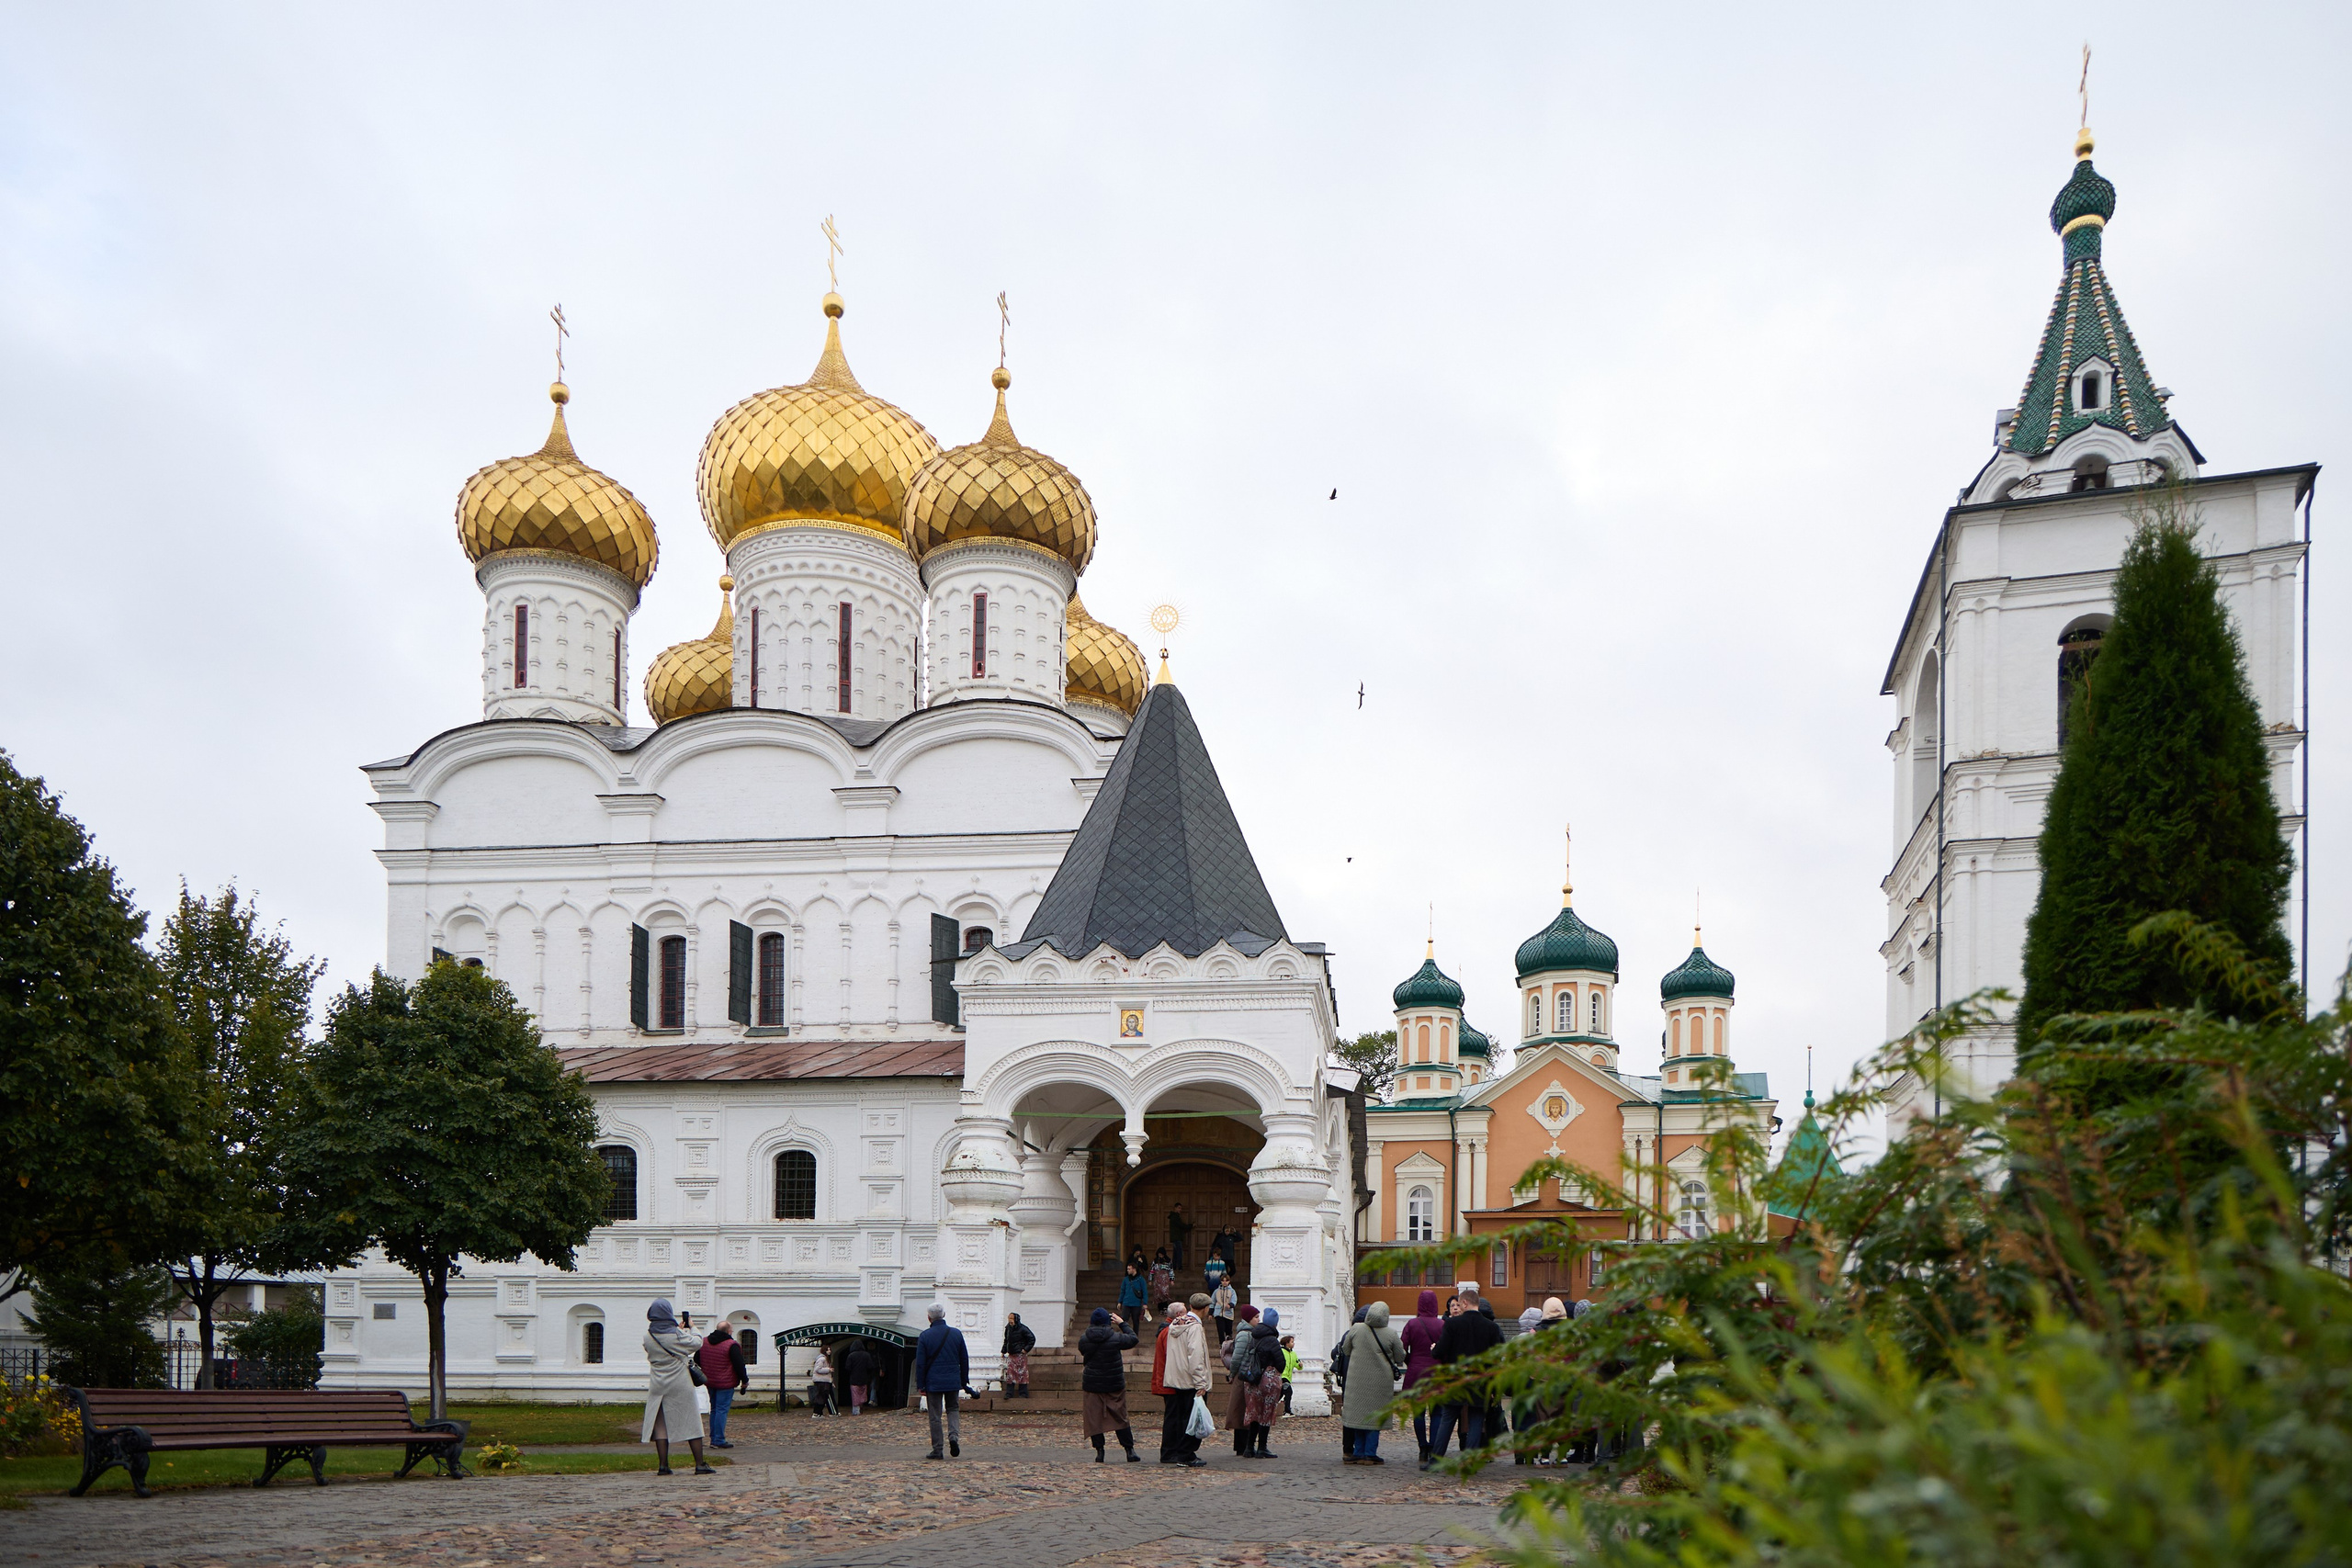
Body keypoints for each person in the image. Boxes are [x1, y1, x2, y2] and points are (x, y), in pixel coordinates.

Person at [1425, 1282, 1504, 1467]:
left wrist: (1434, 1349)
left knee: (1448, 1419)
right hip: (1480, 1381)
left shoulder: (1452, 1324)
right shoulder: (1491, 1328)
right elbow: (1495, 1359)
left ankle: (1436, 1460)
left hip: (1456, 1380)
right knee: (1477, 1420)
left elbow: (1440, 1351)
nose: (1457, 1308)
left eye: (1459, 1304)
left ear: (1466, 1303)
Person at [640, 1299, 715, 1477]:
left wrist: (679, 1332)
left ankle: (663, 1465)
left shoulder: (648, 1336)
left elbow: (658, 1347)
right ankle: (700, 1463)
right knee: (691, 1422)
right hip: (680, 1383)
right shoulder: (676, 1334)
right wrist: (692, 1327)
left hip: (658, 1384)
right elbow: (697, 1343)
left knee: (661, 1425)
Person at [1337, 1300, 1405, 1464]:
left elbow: (1345, 1349)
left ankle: (1358, 1452)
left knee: (1359, 1416)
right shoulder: (1391, 1333)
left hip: (1356, 1382)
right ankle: (1370, 1453)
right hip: (1380, 1383)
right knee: (1374, 1418)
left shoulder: (1356, 1329)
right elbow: (1400, 1357)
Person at [1076, 1307, 1141, 1462]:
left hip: (1092, 1384)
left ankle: (1100, 1451)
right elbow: (1133, 1339)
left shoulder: (1085, 1339)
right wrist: (1122, 1323)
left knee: (1094, 1419)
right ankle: (1129, 1450)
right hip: (1114, 1383)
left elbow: (1083, 1351)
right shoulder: (1115, 1337)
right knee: (1120, 1417)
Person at [1157, 1293, 1212, 1466]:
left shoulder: (1175, 1324)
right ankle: (1186, 1453)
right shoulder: (1194, 1327)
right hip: (1190, 1380)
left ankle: (1181, 1452)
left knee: (1182, 1418)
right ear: (1205, 1308)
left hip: (1177, 1379)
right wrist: (1201, 1382)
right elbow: (1195, 1356)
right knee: (1193, 1419)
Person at [913, 1303, 970, 1460]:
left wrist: (921, 1384)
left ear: (929, 1317)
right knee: (953, 1409)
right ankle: (953, 1437)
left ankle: (938, 1449)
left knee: (935, 1415)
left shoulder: (925, 1336)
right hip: (952, 1380)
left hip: (933, 1382)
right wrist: (964, 1380)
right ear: (944, 1315)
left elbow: (921, 1363)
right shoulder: (956, 1334)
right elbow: (964, 1359)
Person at [1399, 1288, 1445, 1461]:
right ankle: (1433, 1447)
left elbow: (1401, 1348)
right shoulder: (1442, 1325)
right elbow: (1446, 1350)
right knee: (1437, 1413)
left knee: (1418, 1413)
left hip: (1416, 1373)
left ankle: (1422, 1448)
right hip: (1436, 1374)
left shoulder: (1412, 1324)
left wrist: (1411, 1361)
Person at [1238, 1305, 1284, 1458]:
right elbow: (1281, 1363)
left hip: (1251, 1381)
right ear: (1274, 1324)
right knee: (1266, 1412)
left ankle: (1249, 1447)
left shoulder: (1253, 1336)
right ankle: (1262, 1447)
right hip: (1267, 1380)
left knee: (1253, 1412)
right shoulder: (1272, 1340)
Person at [696, 1325, 747, 1447]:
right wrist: (744, 1380)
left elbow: (697, 1359)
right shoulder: (731, 1345)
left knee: (714, 1409)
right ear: (728, 1331)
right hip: (726, 1382)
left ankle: (714, 1438)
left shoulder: (704, 1342)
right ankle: (718, 1440)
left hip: (710, 1381)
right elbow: (739, 1365)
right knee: (721, 1410)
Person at [1221, 1303, 1259, 1451]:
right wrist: (1232, 1373)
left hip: (1243, 1374)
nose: (1258, 1320)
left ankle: (1241, 1444)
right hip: (1242, 1375)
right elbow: (1237, 1357)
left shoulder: (1249, 1332)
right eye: (1256, 1317)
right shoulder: (1245, 1334)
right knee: (1240, 1409)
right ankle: (1241, 1444)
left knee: (1242, 1409)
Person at [1001, 1312, 1035, 1398]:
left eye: (1012, 1319)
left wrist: (1025, 1349)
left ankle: (1023, 1393)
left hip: (1020, 1354)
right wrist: (1004, 1350)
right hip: (1011, 1354)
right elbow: (1006, 1340)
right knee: (1010, 1374)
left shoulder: (1023, 1329)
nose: (1010, 1321)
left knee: (1022, 1374)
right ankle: (1009, 1393)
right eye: (1009, 1319)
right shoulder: (1008, 1328)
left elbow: (1032, 1338)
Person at [842, 1340, 878, 1415]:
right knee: (862, 1394)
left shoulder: (851, 1356)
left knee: (855, 1394)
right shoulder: (867, 1355)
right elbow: (871, 1366)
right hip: (864, 1378)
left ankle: (856, 1411)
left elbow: (847, 1367)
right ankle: (861, 1407)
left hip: (854, 1378)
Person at [1119, 1260, 1152, 1325]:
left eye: (1129, 1269)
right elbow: (1122, 1291)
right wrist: (1120, 1301)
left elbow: (1144, 1292)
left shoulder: (1141, 1280)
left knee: (1136, 1321)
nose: (1127, 1270)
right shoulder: (1126, 1279)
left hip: (1136, 1304)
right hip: (1126, 1303)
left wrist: (1145, 1303)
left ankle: (1135, 1335)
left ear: (1134, 1269)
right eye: (1127, 1269)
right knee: (1124, 1320)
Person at [808, 1345, 837, 1417]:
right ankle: (816, 1413)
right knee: (821, 1397)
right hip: (821, 1381)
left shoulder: (827, 1359)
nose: (829, 1351)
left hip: (825, 1380)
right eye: (827, 1350)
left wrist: (831, 1381)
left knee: (823, 1397)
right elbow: (818, 1369)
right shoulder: (822, 1359)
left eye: (830, 1350)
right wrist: (828, 1370)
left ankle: (819, 1413)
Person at [1210, 1277, 1238, 1347]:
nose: (1225, 1282)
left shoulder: (1232, 1291)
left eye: (1226, 1281)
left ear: (1229, 1281)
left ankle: (1229, 1345)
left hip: (1228, 1313)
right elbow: (1212, 1301)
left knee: (1228, 1331)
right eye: (1223, 1281)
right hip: (1218, 1313)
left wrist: (1230, 1305)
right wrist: (1211, 1313)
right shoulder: (1216, 1291)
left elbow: (1234, 1300)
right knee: (1220, 1330)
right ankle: (1221, 1344)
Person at [1148, 1249, 1176, 1314]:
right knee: (1158, 1294)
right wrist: (1150, 1279)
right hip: (1157, 1279)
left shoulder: (1168, 1261)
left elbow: (1171, 1270)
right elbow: (1152, 1270)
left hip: (1165, 1279)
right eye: (1159, 1254)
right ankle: (1160, 1308)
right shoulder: (1155, 1261)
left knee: (1164, 1293)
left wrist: (1172, 1279)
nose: (1160, 1256)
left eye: (1161, 1254)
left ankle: (1165, 1307)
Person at [1167, 1201, 1193, 1269]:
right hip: (1177, 1238)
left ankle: (1175, 1267)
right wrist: (1191, 1226)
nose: (1180, 1210)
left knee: (1176, 1253)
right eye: (1179, 1208)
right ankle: (1179, 1267)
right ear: (1175, 1208)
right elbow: (1181, 1225)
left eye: (1181, 1208)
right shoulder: (1175, 1217)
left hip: (1176, 1237)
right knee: (1179, 1253)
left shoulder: (1175, 1217)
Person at [1278, 1334, 1298, 1415]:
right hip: (1282, 1376)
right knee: (1289, 1391)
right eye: (1292, 1342)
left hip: (1289, 1377)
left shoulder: (1293, 1354)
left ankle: (1271, 1406)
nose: (1293, 1343)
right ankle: (1287, 1410)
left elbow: (1297, 1364)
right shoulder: (1281, 1352)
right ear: (1287, 1343)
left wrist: (1300, 1365)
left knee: (1280, 1393)